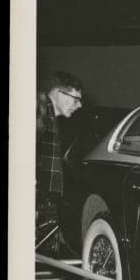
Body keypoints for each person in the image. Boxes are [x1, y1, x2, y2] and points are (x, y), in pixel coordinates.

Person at [36, 71, 84, 251]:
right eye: (75, 98)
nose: (79, 105)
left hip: (44, 199)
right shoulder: (38, 113)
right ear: (58, 94)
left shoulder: (49, 117)